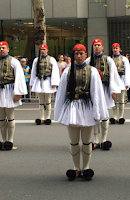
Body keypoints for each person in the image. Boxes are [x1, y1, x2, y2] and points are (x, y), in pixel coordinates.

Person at [54, 44, 108, 181]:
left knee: (86, 141)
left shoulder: (93, 71)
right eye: (76, 54)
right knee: (73, 141)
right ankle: (76, 167)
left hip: (86, 107)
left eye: (81, 54)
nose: (78, 56)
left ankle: (86, 167)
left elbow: (97, 93)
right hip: (72, 107)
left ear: (85, 55)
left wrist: (98, 112)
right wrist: (59, 111)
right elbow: (61, 93)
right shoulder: (67, 71)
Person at [0, 41, 27, 150]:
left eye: (3, 48)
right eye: (0, 48)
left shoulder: (14, 61)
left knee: (10, 116)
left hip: (9, 90)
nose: (1, 49)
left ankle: (10, 140)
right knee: (1, 117)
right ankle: (3, 139)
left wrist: (18, 92)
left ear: (8, 49)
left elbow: (19, 77)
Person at [85, 38, 121, 150]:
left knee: (104, 114)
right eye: (95, 45)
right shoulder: (88, 60)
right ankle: (95, 140)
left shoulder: (108, 60)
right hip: (92, 91)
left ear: (102, 47)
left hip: (105, 89)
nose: (96, 47)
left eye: (98, 45)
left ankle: (103, 140)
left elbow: (113, 75)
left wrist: (113, 90)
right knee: (95, 114)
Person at [30, 44, 60, 125]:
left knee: (48, 100)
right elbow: (34, 71)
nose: (42, 51)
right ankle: (42, 117)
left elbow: (55, 71)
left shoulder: (51, 59)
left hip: (48, 81)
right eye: (41, 49)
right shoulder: (36, 60)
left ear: (47, 50)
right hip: (39, 81)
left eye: (44, 49)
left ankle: (48, 117)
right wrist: (32, 82)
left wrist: (54, 82)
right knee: (41, 101)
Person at [110, 43, 130, 123]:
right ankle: (115, 116)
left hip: (121, 79)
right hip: (113, 80)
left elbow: (127, 71)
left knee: (121, 99)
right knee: (114, 99)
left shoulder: (123, 59)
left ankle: (121, 116)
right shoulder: (110, 59)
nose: (115, 50)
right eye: (114, 48)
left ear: (119, 49)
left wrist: (127, 82)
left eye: (116, 48)